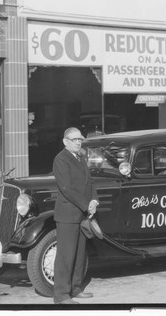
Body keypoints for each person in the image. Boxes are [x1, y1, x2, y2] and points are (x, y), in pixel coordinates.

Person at [52, 127, 99, 304]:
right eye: (74, 139)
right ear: (65, 142)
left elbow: (90, 182)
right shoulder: (61, 159)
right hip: (67, 215)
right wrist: (86, 204)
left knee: (79, 254)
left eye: (80, 139)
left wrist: (94, 200)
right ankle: (61, 295)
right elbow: (66, 188)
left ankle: (76, 288)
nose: (79, 142)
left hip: (82, 214)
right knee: (66, 255)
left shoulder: (80, 157)